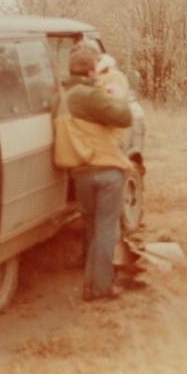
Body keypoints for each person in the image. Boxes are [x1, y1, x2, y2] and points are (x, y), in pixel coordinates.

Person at [55, 45, 134, 301]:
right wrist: (116, 96)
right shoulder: (89, 94)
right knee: (106, 230)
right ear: (91, 71)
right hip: (106, 171)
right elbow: (124, 118)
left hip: (81, 174)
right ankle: (101, 286)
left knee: (93, 228)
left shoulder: (63, 95)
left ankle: (90, 286)